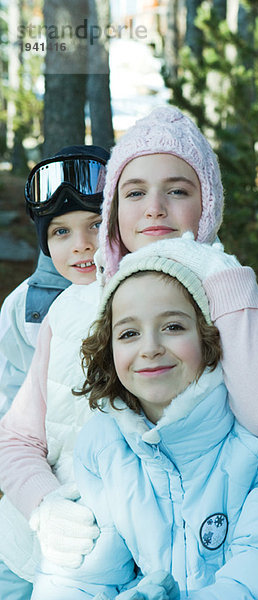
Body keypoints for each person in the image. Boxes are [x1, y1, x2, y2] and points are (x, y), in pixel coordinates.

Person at [0, 106, 258, 585]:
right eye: (135, 192)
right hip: (52, 553)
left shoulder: (234, 302)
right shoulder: (69, 309)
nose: (154, 208)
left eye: (178, 191)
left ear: (208, 203)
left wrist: (223, 276)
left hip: (183, 555)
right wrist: (43, 505)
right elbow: (17, 438)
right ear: (114, 210)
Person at [31, 239, 258, 600]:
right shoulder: (103, 442)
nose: (150, 347)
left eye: (173, 326)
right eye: (128, 333)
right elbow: (79, 580)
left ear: (209, 339)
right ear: (109, 352)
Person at [0, 144, 109, 598]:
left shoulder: (151, 301)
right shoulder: (28, 309)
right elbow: (14, 411)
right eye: (60, 231)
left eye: (97, 225)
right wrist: (35, 499)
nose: (81, 244)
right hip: (35, 509)